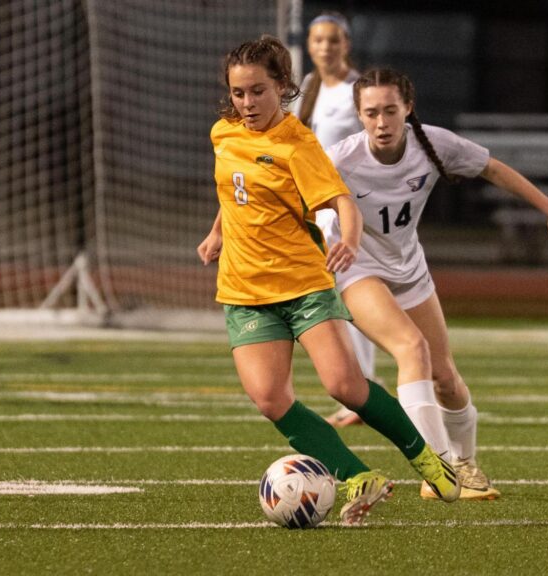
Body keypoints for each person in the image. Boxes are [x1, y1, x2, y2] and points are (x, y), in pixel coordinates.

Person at [197, 37, 460, 524]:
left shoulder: (299, 145)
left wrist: (352, 242)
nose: (248, 103)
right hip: (244, 292)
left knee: (344, 385)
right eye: (238, 94)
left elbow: (342, 203)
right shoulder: (223, 134)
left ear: (282, 87)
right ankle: (359, 476)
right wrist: (216, 234)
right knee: (270, 398)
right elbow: (232, 190)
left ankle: (427, 458)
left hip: (303, 287)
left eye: (258, 91)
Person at [320, 68, 548, 500]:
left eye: (390, 110)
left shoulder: (434, 144)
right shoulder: (340, 159)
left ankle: (464, 462)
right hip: (358, 269)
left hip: (410, 269)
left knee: (445, 377)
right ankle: (437, 469)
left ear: (408, 108)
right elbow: (282, 193)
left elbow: (494, 170)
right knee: (411, 347)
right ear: (358, 115)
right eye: (371, 113)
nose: (382, 122)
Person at [290, 12, 380, 428]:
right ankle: (357, 387)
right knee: (336, 295)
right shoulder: (307, 87)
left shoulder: (356, 90)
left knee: (352, 292)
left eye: (333, 40)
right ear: (309, 46)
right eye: (318, 40)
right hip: (318, 205)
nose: (325, 47)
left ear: (346, 44)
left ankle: (361, 390)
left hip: (348, 205)